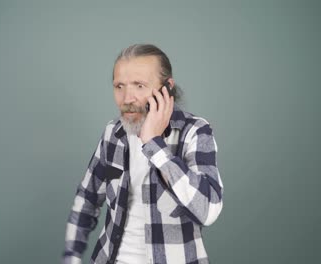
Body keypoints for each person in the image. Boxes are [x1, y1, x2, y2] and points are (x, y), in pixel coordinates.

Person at [62, 44, 224, 264]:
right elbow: (87, 198)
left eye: (139, 85)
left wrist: (154, 144)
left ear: (167, 88)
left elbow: (208, 211)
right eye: (119, 86)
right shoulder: (113, 133)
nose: (127, 98)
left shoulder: (195, 131)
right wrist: (71, 256)